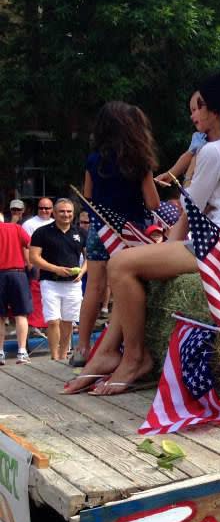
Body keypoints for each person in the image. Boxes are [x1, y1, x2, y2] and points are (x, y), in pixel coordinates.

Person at [63, 73, 220, 395]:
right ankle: (107, 353)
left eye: (200, 105)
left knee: (120, 265)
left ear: (216, 110)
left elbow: (190, 213)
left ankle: (134, 357)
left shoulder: (215, 152)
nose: (195, 113)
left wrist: (164, 248)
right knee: (135, 265)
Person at [73, 101, 161, 368]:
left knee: (95, 288)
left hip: (101, 230)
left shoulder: (93, 160)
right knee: (127, 288)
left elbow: (87, 197)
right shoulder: (140, 161)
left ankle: (82, 348)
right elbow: (153, 204)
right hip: (129, 234)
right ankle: (125, 347)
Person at [29, 198, 85, 361]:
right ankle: (54, 357)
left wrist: (82, 271)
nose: (66, 214)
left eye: (69, 212)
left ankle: (62, 355)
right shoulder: (42, 232)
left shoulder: (80, 233)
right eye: (62, 211)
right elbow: (34, 257)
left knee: (68, 322)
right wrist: (56, 269)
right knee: (53, 321)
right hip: (50, 282)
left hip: (73, 284)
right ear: (54, 212)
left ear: (73, 214)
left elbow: (90, 258)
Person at [154, 91, 207, 188]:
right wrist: (170, 175)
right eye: (191, 111)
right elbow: (187, 156)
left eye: (195, 110)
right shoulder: (199, 138)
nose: (191, 116)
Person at [0, 212, 33, 363]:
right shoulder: (16, 228)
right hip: (17, 273)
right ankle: (22, 351)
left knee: (0, 317)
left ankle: (0, 352)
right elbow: (31, 245)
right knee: (21, 314)